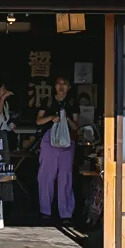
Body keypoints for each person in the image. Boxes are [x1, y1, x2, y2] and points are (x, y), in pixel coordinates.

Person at [35, 76, 80, 224]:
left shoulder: (73, 103)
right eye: (59, 84)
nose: (61, 87)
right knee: (46, 176)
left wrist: (66, 119)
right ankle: (45, 211)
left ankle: (66, 213)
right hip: (49, 141)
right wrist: (51, 118)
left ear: (69, 87)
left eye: (65, 84)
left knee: (65, 177)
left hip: (67, 142)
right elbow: (38, 121)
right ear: (54, 86)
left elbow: (76, 127)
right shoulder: (47, 101)